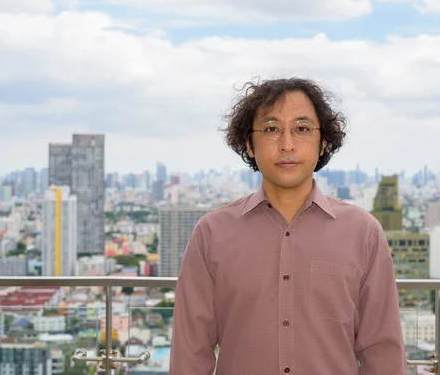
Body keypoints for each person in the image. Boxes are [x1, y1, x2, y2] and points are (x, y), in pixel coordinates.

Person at [169, 78, 406, 374]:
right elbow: (191, 351)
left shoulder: (363, 233)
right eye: (271, 129)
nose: (287, 144)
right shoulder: (212, 233)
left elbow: (382, 350)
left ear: (323, 144)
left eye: (302, 129)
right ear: (249, 145)